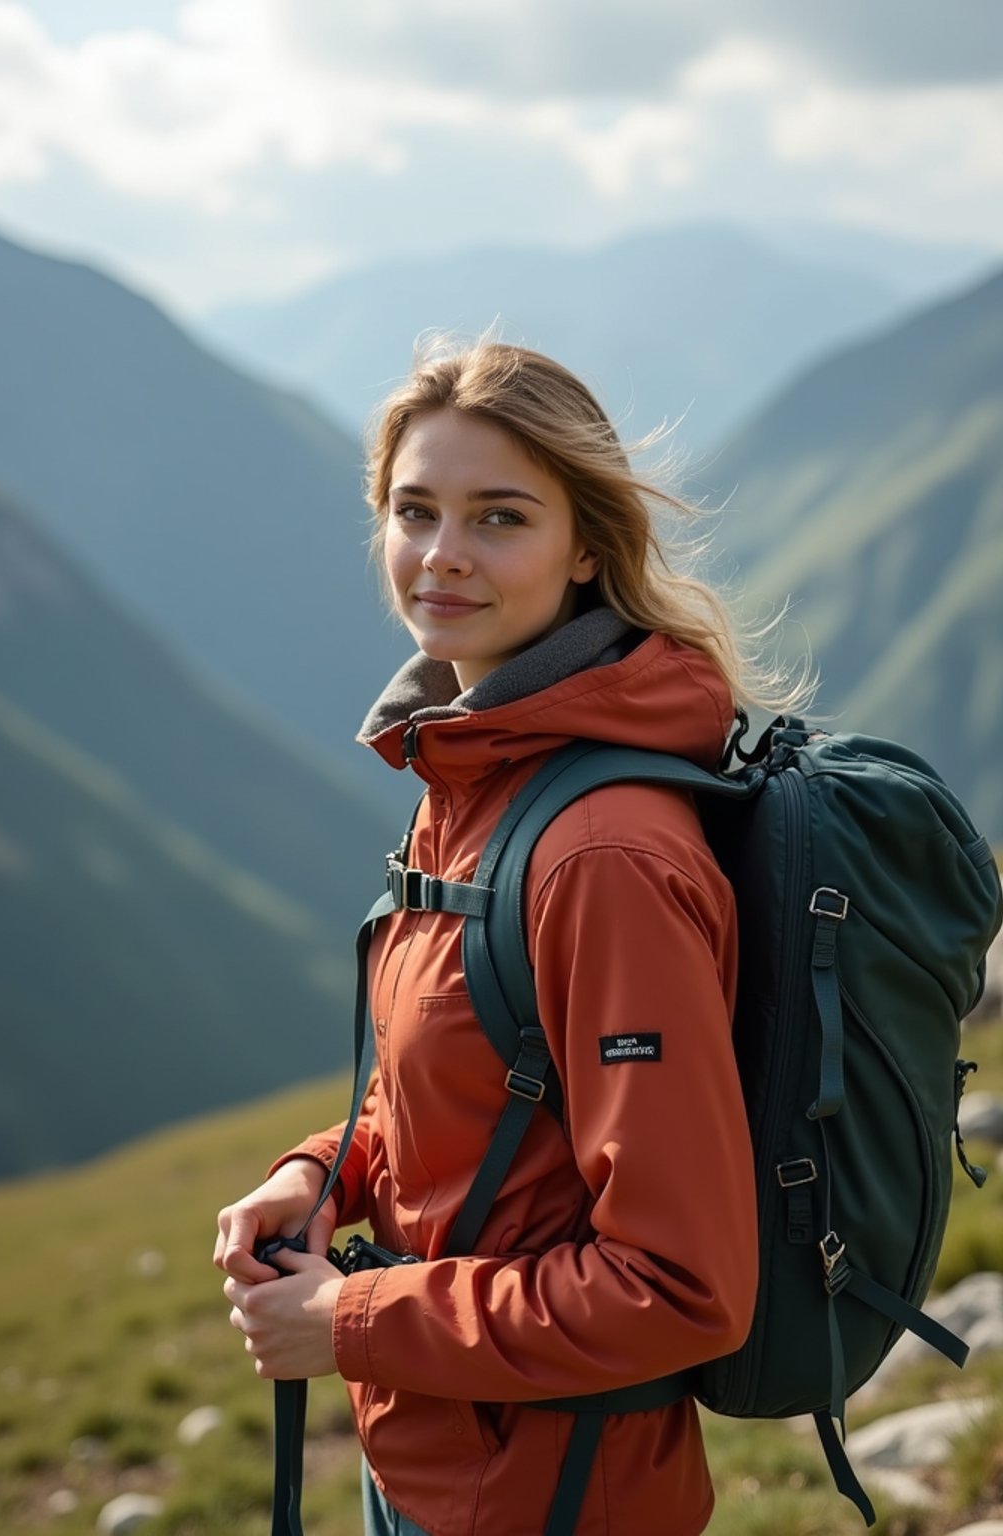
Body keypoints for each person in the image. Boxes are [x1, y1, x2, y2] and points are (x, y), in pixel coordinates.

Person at [215, 339, 805, 1536]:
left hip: (559, 1497)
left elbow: (683, 1287)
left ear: (586, 546)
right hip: (446, 1461)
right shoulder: (479, 774)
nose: (443, 555)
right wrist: (322, 1173)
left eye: (499, 517)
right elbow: (481, 1099)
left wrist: (346, 1322)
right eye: (415, 510)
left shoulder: (600, 856)